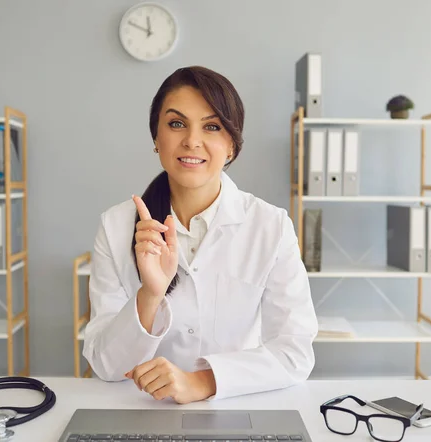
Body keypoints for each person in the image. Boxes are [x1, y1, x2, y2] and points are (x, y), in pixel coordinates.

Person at [83, 65, 318, 404]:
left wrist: (204, 382)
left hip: (236, 407)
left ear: (232, 146)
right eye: (176, 124)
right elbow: (106, 365)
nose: (192, 140)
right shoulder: (116, 226)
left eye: (212, 126)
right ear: (156, 138)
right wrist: (150, 295)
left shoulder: (270, 226)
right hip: (141, 410)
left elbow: (295, 352)